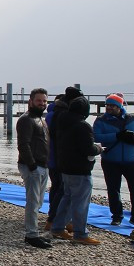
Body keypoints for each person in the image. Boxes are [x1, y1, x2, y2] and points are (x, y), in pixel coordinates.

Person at [48, 95, 102, 245]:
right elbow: (88, 149)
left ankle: (57, 227)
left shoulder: (61, 121)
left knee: (67, 198)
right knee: (81, 202)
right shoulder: (83, 125)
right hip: (80, 170)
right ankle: (80, 233)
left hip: (65, 167)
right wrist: (99, 148)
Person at [94, 93, 134, 230]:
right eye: (107, 105)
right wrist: (116, 136)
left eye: (112, 105)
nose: (109, 108)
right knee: (113, 190)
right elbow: (95, 136)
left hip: (131, 161)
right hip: (110, 161)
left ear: (119, 106)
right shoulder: (100, 121)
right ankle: (116, 216)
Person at [16, 88, 52, 249]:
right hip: (32, 166)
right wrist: (32, 165)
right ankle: (31, 234)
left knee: (38, 201)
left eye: (44, 101)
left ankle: (34, 231)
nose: (42, 104)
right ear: (31, 101)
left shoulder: (41, 119)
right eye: (39, 101)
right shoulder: (26, 120)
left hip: (43, 165)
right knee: (33, 201)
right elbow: (23, 144)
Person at [44, 86, 83, 234]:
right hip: (59, 158)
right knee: (62, 190)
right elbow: (58, 137)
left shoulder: (53, 114)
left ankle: (57, 219)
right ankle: (55, 219)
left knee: (58, 188)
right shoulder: (59, 115)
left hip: (54, 157)